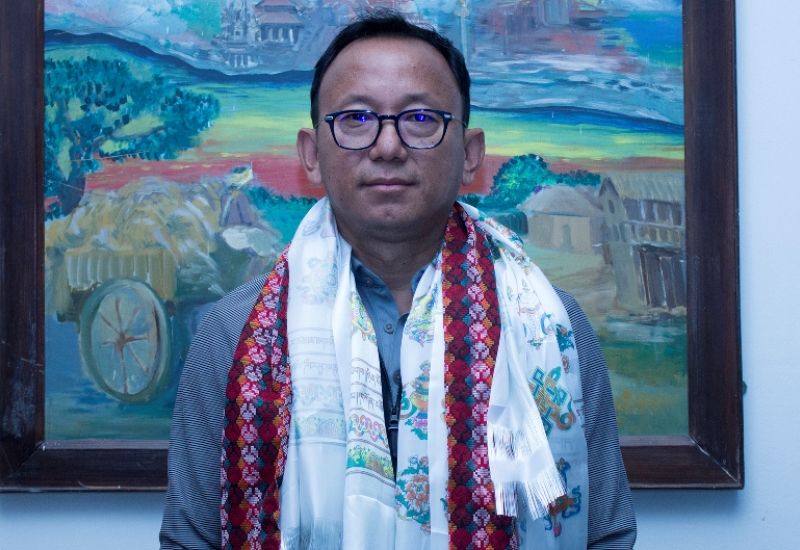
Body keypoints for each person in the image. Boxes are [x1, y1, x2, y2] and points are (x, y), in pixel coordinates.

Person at [160, 12, 636, 550]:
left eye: (421, 118)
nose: (387, 146)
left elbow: (607, 535)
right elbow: (190, 538)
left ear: (470, 155)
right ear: (311, 154)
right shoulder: (234, 332)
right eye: (356, 119)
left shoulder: (551, 327)